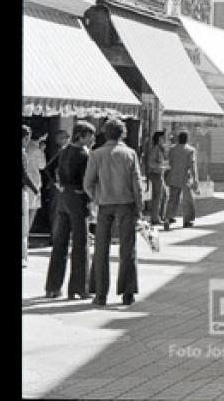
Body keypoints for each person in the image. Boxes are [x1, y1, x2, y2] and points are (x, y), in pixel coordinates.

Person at [83, 119, 143, 307]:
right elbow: (137, 185)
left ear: (105, 133)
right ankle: (127, 293)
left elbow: (87, 183)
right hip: (126, 204)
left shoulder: (96, 154)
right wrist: (139, 208)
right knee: (127, 248)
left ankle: (100, 294)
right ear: (123, 133)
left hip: (105, 205)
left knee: (101, 249)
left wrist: (97, 197)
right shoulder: (130, 154)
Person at [44, 123, 93, 298]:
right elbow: (87, 181)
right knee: (80, 244)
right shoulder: (84, 154)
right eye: (90, 136)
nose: (92, 139)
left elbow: (48, 169)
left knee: (60, 243)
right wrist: (89, 196)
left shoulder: (64, 151)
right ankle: (79, 287)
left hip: (63, 198)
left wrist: (59, 186)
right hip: (78, 199)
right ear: (81, 136)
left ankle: (52, 287)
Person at [163, 130, 200, 229]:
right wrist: (195, 179)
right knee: (187, 200)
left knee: (172, 199)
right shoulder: (190, 150)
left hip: (174, 176)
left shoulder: (172, 149)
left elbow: (170, 162)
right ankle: (187, 220)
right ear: (187, 139)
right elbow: (192, 166)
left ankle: (168, 218)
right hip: (185, 177)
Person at [22, 127, 40, 268]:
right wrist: (34, 189)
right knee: (24, 224)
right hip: (23, 190)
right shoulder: (23, 153)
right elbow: (24, 175)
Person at [145, 131, 170, 226]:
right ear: (159, 139)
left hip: (159, 174)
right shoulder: (155, 149)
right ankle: (155, 218)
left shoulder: (160, 149)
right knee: (158, 196)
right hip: (156, 174)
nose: (164, 139)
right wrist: (162, 166)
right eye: (163, 138)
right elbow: (151, 163)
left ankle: (159, 216)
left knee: (163, 195)